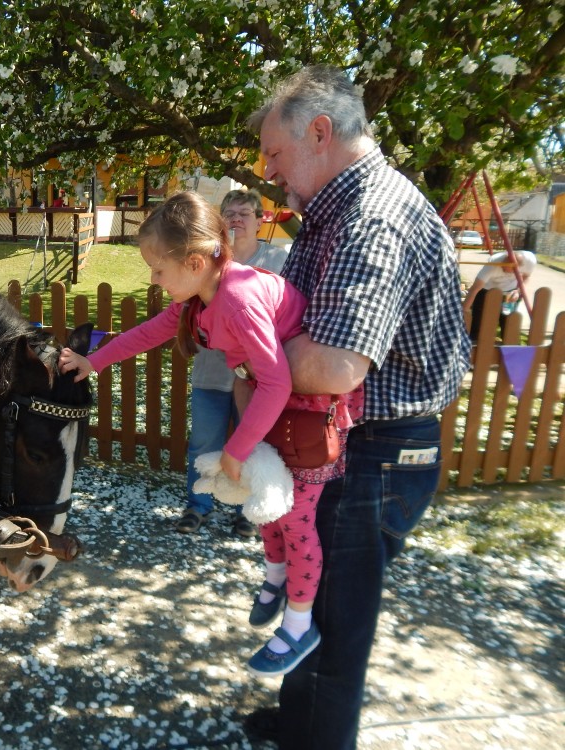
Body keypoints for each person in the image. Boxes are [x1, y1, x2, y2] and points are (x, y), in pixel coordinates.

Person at [246, 65, 471, 749]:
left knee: (337, 625)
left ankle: (316, 738)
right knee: (314, 602)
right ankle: (298, 721)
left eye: (277, 155)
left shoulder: (373, 215)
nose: (272, 173)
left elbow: (337, 364)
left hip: (373, 452)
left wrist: (246, 359)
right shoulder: (339, 207)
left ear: (320, 133)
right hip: (356, 445)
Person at [58, 191, 361, 677]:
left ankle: (301, 625)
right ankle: (276, 577)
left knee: (295, 517)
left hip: (304, 415)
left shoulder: (238, 299)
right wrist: (92, 361)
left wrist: (236, 450)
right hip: (271, 410)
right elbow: (150, 332)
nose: (153, 280)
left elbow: (279, 379)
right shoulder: (205, 296)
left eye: (158, 269)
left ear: (196, 261)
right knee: (265, 505)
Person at [179, 189, 288, 537]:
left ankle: (248, 512)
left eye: (245, 212)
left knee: (255, 444)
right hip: (210, 374)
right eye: (230, 213)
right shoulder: (208, 261)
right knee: (203, 444)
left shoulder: (278, 259)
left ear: (260, 219)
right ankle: (198, 507)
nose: (237, 218)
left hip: (258, 380)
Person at [462, 250, 537, 341]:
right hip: (487, 291)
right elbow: (474, 289)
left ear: (517, 268)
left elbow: (526, 276)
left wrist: (518, 291)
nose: (502, 268)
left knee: (508, 322)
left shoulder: (530, 260)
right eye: (502, 265)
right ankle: (475, 344)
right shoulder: (493, 264)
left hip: (510, 293)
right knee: (479, 322)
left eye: (505, 268)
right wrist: (463, 311)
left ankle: (509, 347)